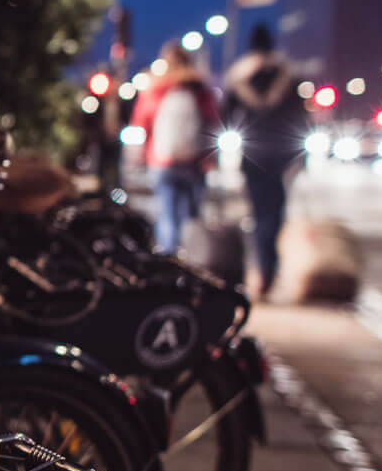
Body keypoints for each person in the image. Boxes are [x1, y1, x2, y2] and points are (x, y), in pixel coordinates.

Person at [223, 24, 306, 297]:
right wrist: (301, 158)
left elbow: (226, 116)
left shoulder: (239, 77)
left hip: (253, 154)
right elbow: (301, 117)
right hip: (282, 153)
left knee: (259, 214)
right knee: (276, 212)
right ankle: (270, 270)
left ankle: (263, 270)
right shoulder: (286, 75)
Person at [131, 41, 219, 255]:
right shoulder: (199, 90)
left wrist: (139, 154)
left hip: (162, 161)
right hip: (194, 161)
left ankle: (170, 261)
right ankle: (195, 259)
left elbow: (140, 123)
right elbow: (212, 122)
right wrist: (211, 157)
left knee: (167, 214)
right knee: (192, 216)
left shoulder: (156, 89)